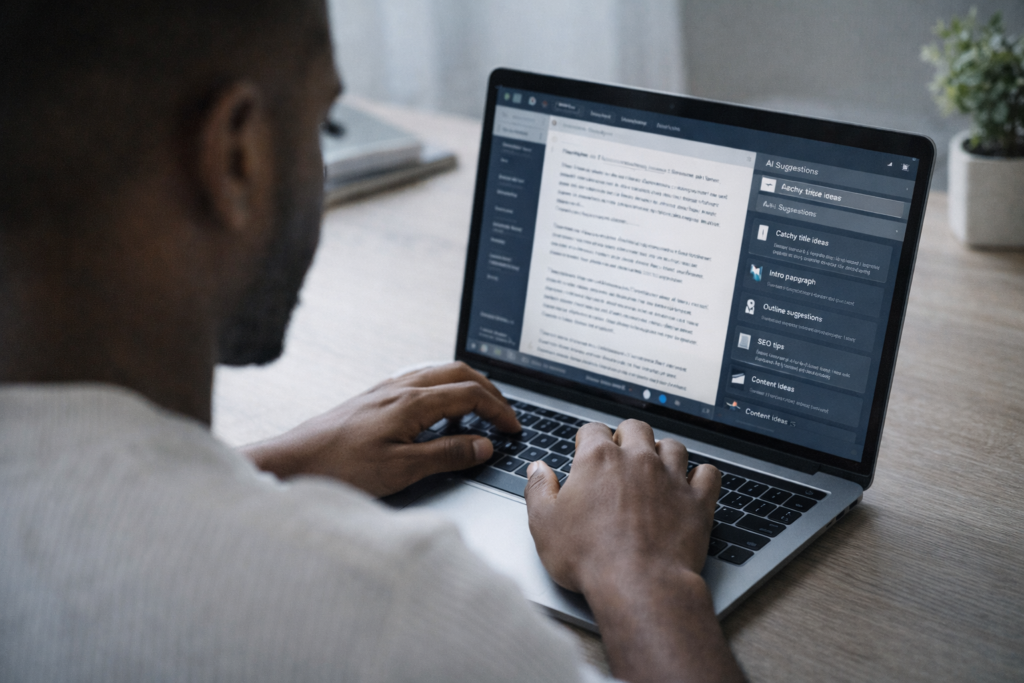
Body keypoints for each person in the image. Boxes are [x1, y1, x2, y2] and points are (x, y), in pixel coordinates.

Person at [0, 1, 745, 681]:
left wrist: (270, 465)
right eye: (322, 123)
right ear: (237, 155)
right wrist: (644, 578)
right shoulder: (391, 613)